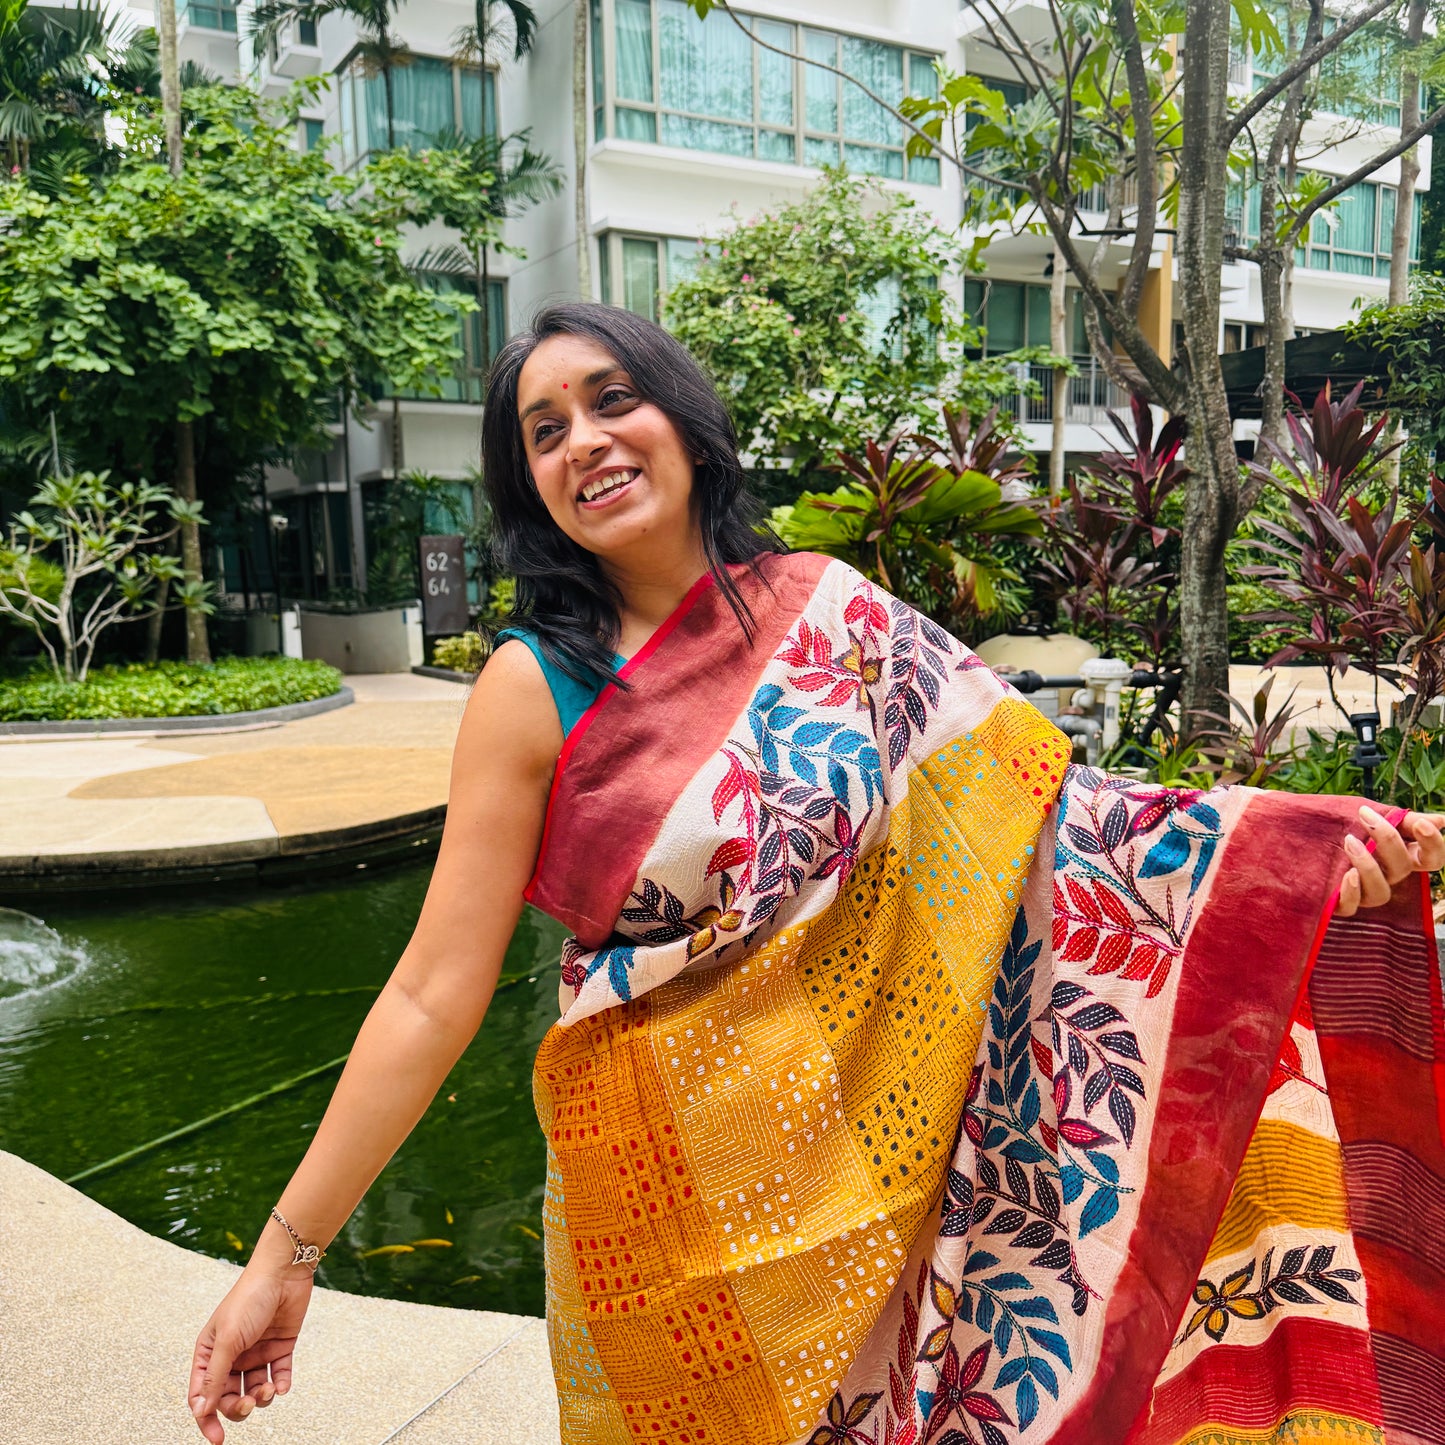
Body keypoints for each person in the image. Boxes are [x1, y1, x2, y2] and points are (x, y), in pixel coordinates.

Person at [188, 303, 1445, 1445]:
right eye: (544, 429)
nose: (586, 440)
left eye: (613, 398)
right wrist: (285, 1250)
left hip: (893, 1185)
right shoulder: (532, 686)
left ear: (682, 419)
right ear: (528, 485)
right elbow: (429, 992)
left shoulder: (835, 617)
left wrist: (1284, 854)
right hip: (666, 1209)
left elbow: (1061, 820)